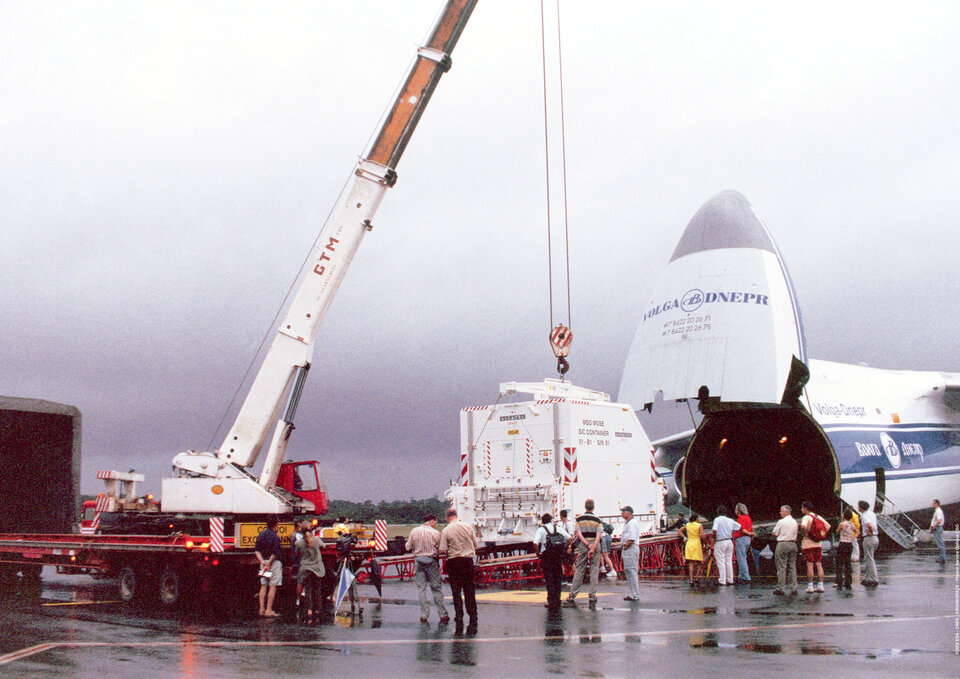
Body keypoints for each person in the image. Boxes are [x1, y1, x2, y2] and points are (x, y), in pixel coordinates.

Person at [439, 508, 478, 634]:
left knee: (456, 591)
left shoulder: (446, 530)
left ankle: (459, 615)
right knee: (469, 590)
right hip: (467, 561)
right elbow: (475, 544)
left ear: (447, 518)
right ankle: (473, 615)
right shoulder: (467, 527)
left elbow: (443, 549)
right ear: (456, 515)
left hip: (454, 562)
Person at [406, 514, 451, 624]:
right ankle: (442, 614)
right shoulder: (435, 533)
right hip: (431, 561)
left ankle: (424, 614)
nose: (436, 524)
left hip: (418, 560)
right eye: (435, 522)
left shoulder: (414, 531)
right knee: (436, 587)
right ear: (432, 521)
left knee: (421, 588)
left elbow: (408, 547)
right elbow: (441, 549)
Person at [565, 498, 603, 607]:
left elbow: (578, 534)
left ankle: (572, 594)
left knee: (579, 570)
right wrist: (593, 547)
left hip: (583, 545)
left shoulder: (579, 519)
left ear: (585, 506)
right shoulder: (597, 520)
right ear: (593, 507)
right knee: (594, 570)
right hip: (595, 546)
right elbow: (598, 535)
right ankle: (592, 595)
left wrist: (586, 545)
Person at [533, 513, 570, 610]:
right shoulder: (557, 528)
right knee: (557, 578)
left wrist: (538, 554)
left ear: (542, 521)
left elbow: (535, 543)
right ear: (551, 520)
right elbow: (570, 538)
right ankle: (558, 599)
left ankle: (551, 600)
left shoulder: (541, 530)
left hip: (546, 556)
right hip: (557, 555)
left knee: (549, 579)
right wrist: (564, 549)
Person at [254, 516, 284, 617]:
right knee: (273, 586)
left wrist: (263, 562)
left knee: (263, 585)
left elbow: (257, 550)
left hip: (263, 562)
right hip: (273, 563)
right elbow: (275, 552)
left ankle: (261, 608)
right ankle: (269, 610)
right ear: (276, 524)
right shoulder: (275, 537)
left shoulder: (261, 534)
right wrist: (269, 563)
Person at [295, 523, 325, 619]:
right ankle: (317, 609)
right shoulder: (316, 541)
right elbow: (323, 546)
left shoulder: (298, 543)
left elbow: (297, 553)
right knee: (317, 590)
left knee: (308, 590)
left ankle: (309, 610)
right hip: (317, 568)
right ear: (312, 530)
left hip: (305, 568)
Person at [799, 501, 830, 593]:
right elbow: (828, 526)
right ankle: (821, 585)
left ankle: (810, 586)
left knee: (810, 564)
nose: (801, 509)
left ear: (805, 508)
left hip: (808, 544)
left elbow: (803, 526)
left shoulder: (806, 517)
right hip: (818, 544)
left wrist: (806, 533)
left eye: (802, 508)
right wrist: (819, 536)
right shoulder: (818, 516)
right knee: (818, 563)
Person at [711, 506, 742, 586]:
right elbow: (739, 527)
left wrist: (713, 539)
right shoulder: (730, 520)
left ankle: (722, 580)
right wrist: (731, 532)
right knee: (728, 561)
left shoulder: (717, 520)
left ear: (718, 512)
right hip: (729, 541)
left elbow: (714, 530)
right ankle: (730, 579)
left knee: (721, 562)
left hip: (720, 541)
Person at [772, 504, 799, 595]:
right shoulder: (795, 522)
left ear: (787, 512)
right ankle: (794, 587)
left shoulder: (781, 522)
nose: (780, 513)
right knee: (792, 566)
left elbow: (775, 533)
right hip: (793, 544)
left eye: (781, 511)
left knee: (781, 567)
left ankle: (780, 588)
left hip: (783, 543)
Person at [620, 506, 641, 601]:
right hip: (628, 548)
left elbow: (631, 538)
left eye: (623, 511)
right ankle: (633, 593)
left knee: (632, 571)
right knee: (628, 571)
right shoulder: (629, 523)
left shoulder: (632, 523)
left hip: (631, 548)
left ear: (628, 513)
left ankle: (635, 594)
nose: (621, 513)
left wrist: (625, 547)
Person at [678, 513, 703, 587]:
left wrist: (684, 537)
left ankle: (691, 580)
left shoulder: (688, 525)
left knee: (691, 563)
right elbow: (702, 535)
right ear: (696, 518)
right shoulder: (699, 525)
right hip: (696, 544)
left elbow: (679, 531)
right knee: (699, 562)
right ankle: (697, 578)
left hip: (689, 544)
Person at [834, 508, 857, 589]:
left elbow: (837, 531)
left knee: (839, 562)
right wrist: (852, 538)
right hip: (849, 543)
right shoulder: (851, 524)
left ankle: (839, 581)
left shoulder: (842, 524)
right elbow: (857, 532)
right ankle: (848, 582)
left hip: (842, 543)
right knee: (847, 563)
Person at [733, 503, 756, 584]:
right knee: (744, 557)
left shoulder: (740, 518)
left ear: (738, 511)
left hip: (741, 538)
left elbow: (742, 529)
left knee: (741, 558)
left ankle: (745, 577)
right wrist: (751, 534)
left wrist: (748, 533)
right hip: (747, 539)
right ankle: (741, 575)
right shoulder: (748, 517)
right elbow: (752, 527)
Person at [858, 500, 879, 587]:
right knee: (868, 558)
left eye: (859, 506)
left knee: (869, 559)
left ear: (862, 508)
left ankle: (874, 578)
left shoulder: (864, 516)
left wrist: (870, 532)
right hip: (875, 538)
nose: (858, 507)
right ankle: (867, 577)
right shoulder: (872, 513)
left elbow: (869, 525)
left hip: (869, 538)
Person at [931, 499, 946, 563]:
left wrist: (934, 527)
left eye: (933, 503)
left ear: (936, 504)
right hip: (938, 528)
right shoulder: (938, 511)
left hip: (937, 528)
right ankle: (942, 557)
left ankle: (942, 558)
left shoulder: (938, 511)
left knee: (940, 544)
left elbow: (939, 520)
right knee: (940, 543)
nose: (932, 504)